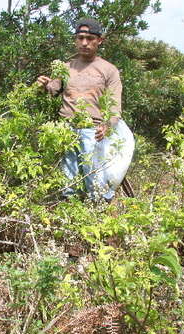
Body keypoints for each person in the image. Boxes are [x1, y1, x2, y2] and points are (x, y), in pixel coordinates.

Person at [37, 18, 135, 202]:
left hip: (94, 132)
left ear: (99, 40)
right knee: (68, 181)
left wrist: (108, 126)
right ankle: (70, 218)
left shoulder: (109, 70)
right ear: (75, 39)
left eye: (89, 38)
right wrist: (44, 84)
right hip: (66, 131)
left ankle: (99, 218)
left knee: (96, 183)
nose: (84, 42)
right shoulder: (66, 68)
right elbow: (53, 89)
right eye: (80, 37)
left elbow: (115, 105)